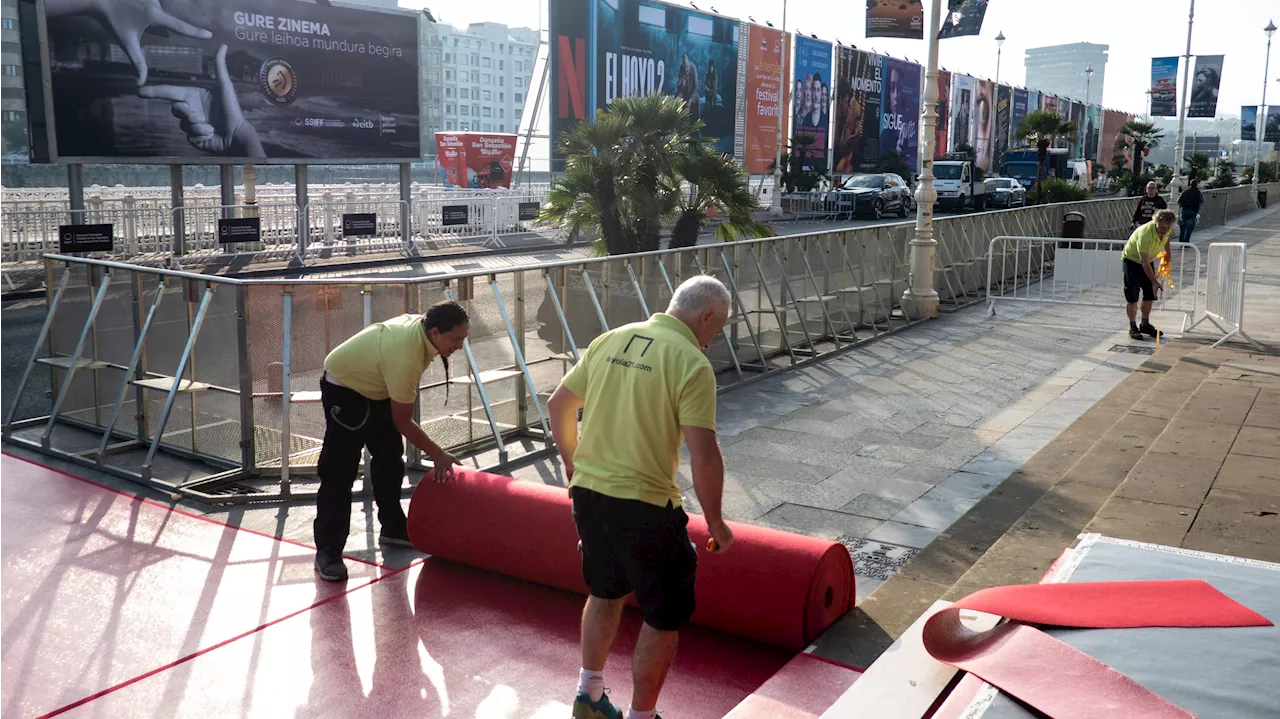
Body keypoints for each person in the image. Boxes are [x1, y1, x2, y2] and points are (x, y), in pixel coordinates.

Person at [549, 276, 735, 719]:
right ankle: (642, 716)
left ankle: (588, 695)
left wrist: (574, 463)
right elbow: (704, 453)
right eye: (718, 327)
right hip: (646, 506)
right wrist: (716, 521)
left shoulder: (611, 339)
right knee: (664, 615)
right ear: (706, 316)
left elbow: (559, 404)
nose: (715, 336)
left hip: (589, 497)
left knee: (604, 592)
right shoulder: (690, 362)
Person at [313, 302, 470, 582]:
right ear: (435, 332)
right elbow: (403, 420)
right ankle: (328, 551)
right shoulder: (406, 355)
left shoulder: (422, 334)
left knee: (389, 459)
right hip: (346, 389)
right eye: (455, 339)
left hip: (378, 387)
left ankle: (393, 528)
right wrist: (438, 454)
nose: (459, 346)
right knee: (339, 471)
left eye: (463, 339)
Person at [1122, 209, 1176, 341]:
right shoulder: (1145, 234)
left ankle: (1145, 323)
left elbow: (1166, 239)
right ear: (1155, 222)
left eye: (1168, 227)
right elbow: (1144, 262)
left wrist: (1168, 255)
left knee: (1149, 294)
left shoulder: (1167, 228)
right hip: (1132, 260)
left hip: (1148, 260)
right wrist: (1154, 281)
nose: (1165, 230)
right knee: (1132, 295)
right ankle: (1132, 326)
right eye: (1162, 227)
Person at [1177, 179, 1204, 243]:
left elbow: (1178, 201)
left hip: (1184, 210)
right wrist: (1198, 209)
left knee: (1183, 226)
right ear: (1196, 185)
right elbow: (1201, 202)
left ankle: (1181, 239)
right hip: (1193, 211)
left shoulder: (1185, 192)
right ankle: (1186, 241)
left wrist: (1181, 207)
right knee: (1189, 227)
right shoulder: (1198, 193)